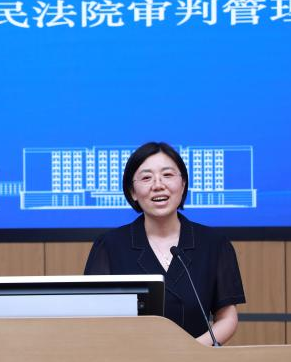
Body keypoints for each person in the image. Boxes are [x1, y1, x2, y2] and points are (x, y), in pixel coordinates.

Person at [84, 141, 246, 346]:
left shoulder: (214, 244)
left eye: (167, 175)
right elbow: (95, 317)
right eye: (146, 178)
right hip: (130, 360)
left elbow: (227, 318)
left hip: (195, 359)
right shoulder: (109, 246)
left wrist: (191, 351)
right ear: (132, 191)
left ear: (183, 184)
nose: (158, 185)